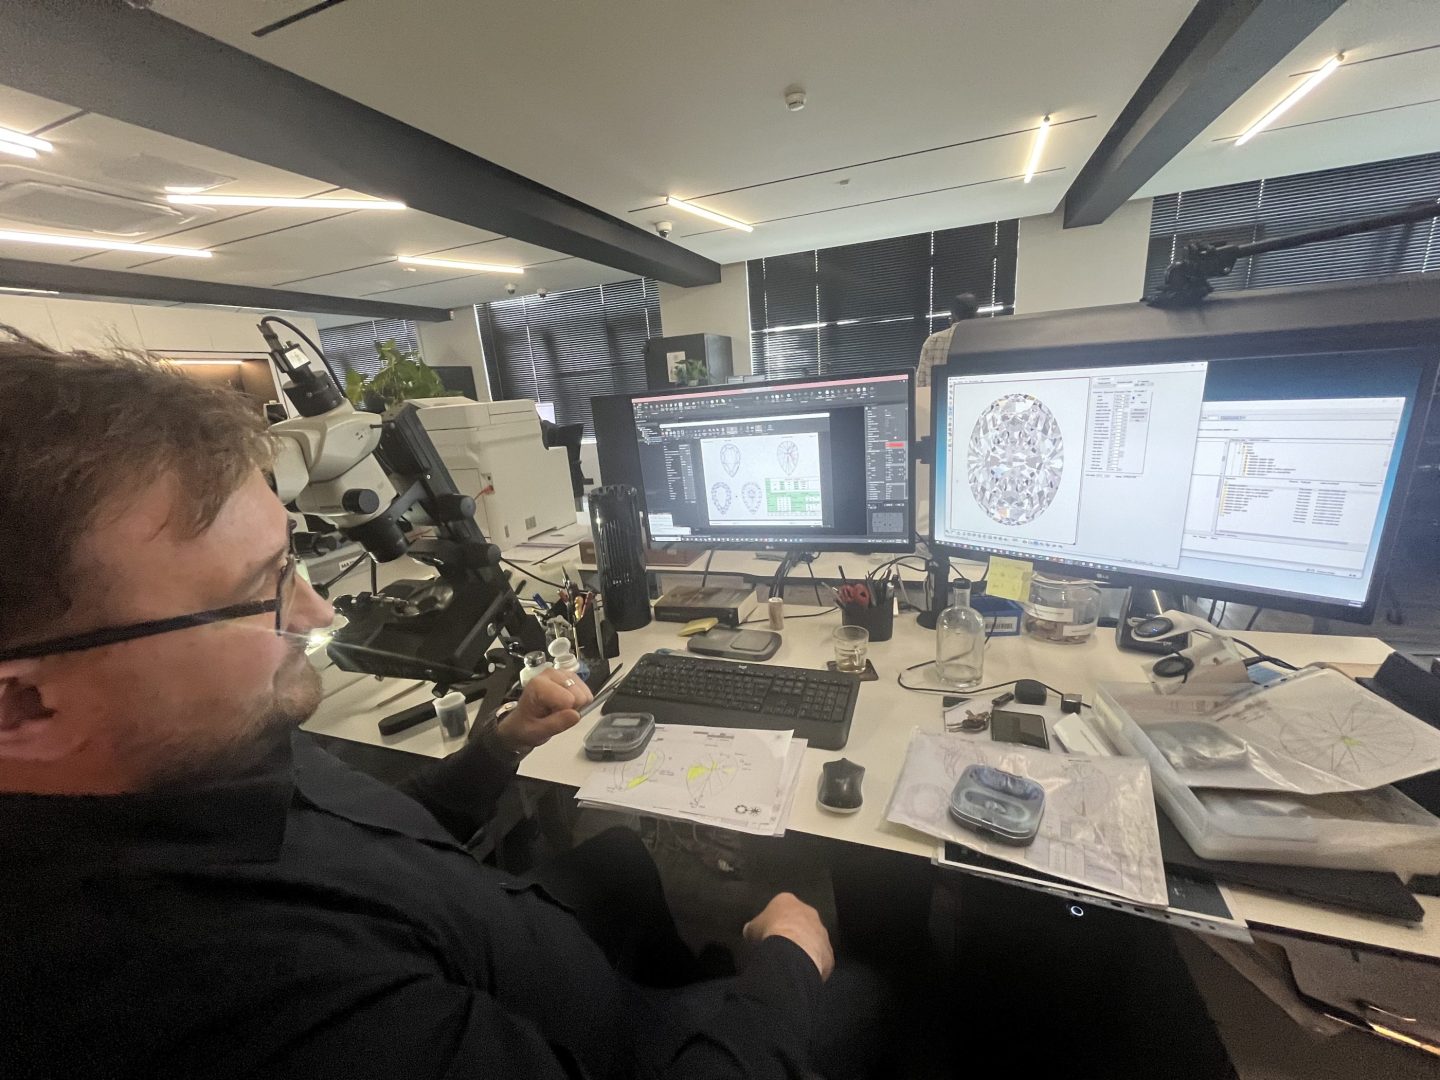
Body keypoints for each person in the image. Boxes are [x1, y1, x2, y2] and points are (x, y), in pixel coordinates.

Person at [0, 331, 868, 1079]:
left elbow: (358, 836)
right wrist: (785, 971)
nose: (319, 612)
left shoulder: (199, 749)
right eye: (261, 592)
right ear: (22, 708)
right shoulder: (237, 996)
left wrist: (496, 750)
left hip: (503, 939)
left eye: (292, 564)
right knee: (872, 989)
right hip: (596, 1043)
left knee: (624, 864)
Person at [916, 292, 980, 388]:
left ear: (953, 315)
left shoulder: (933, 341)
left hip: (938, 401)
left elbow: (920, 385)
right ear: (976, 313)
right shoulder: (989, 339)